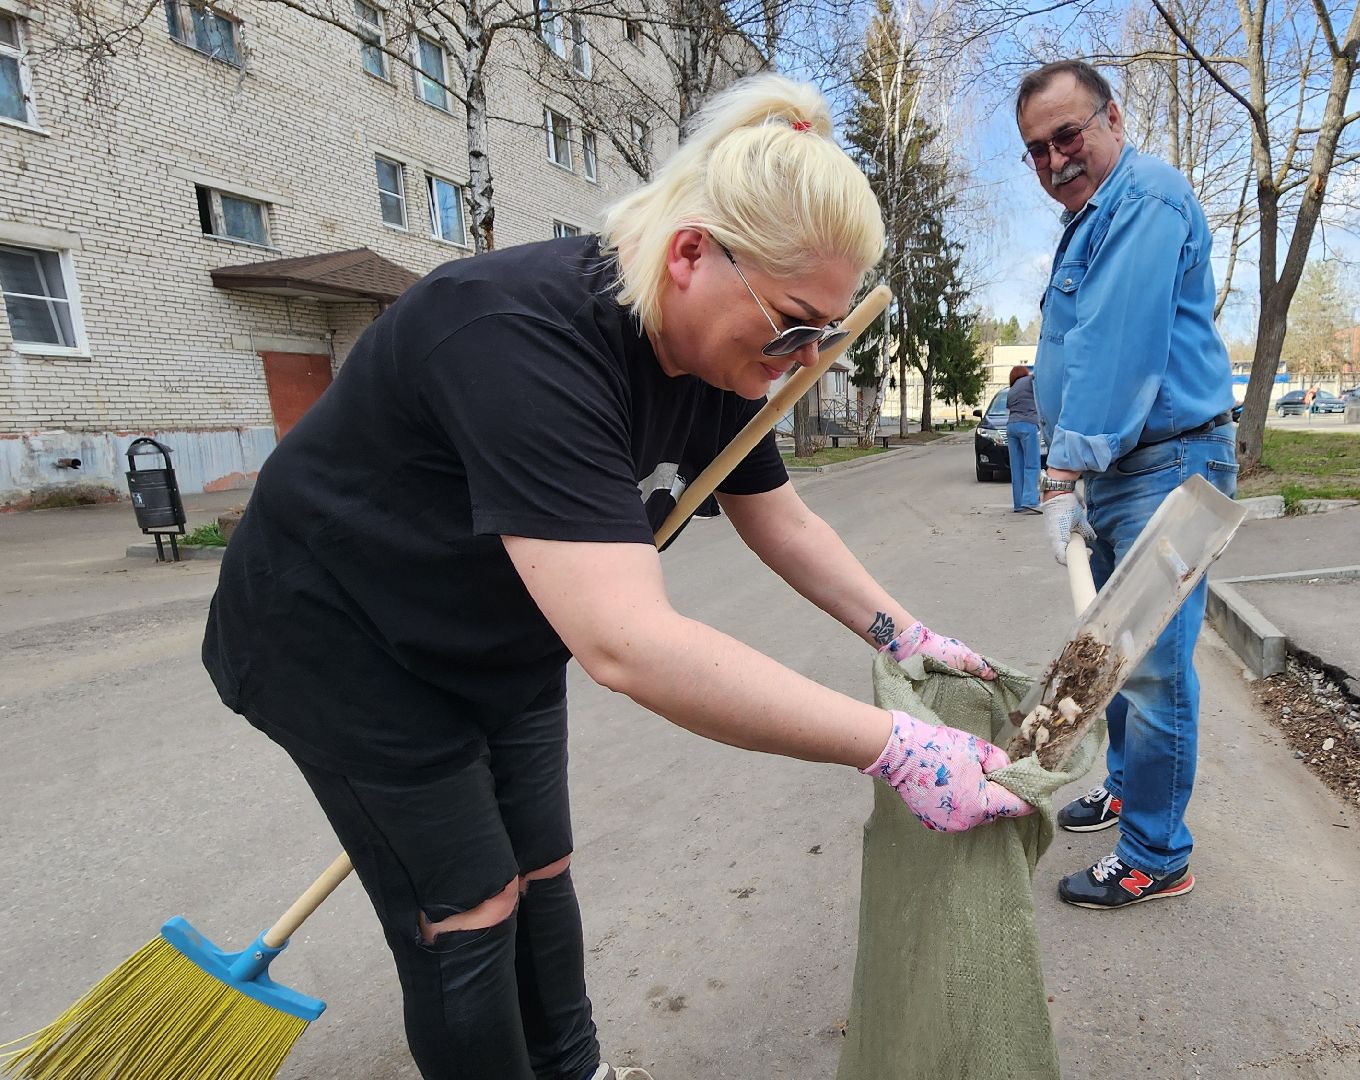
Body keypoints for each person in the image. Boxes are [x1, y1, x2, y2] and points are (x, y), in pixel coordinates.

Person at [201, 75, 1029, 1080]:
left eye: (822, 334)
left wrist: (906, 636)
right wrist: (893, 746)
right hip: (338, 642)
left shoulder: (724, 360)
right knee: (470, 906)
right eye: (793, 325)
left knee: (541, 865)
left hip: (498, 635)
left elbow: (782, 519)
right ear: (691, 255)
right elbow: (630, 644)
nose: (803, 358)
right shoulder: (517, 335)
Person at [1016, 60, 1237, 910]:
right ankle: (1127, 789)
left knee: (1150, 672)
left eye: (1067, 135)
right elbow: (1073, 355)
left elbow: (1116, 349)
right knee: (1113, 654)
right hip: (1126, 469)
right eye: (1037, 150)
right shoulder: (1093, 217)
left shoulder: (1144, 199)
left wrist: (1061, 473)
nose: (1055, 160)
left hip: (1165, 468)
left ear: (1113, 118)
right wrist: (1067, 471)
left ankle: (1156, 853)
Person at [1005, 364, 1042, 513]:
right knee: (1032, 464)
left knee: (1016, 467)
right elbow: (1040, 375)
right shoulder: (1029, 381)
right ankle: (1031, 501)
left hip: (1011, 427)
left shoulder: (1011, 390)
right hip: (1027, 425)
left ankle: (1019, 504)